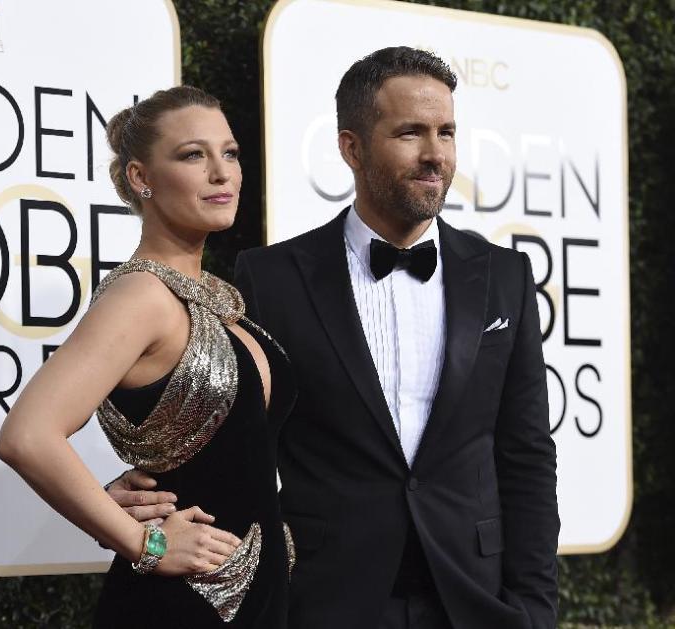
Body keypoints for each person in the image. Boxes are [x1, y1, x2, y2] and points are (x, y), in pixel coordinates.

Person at [109, 48, 559, 628]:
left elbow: (525, 454)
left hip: (476, 598)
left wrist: (534, 609)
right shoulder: (270, 278)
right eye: (409, 132)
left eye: (446, 132)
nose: (434, 154)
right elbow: (233, 433)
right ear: (351, 147)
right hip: (325, 597)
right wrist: (143, 495)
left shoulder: (505, 275)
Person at [0, 85, 297, 628]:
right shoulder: (140, 298)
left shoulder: (215, 295)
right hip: (182, 604)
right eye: (192, 155)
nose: (221, 173)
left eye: (229, 153)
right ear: (141, 178)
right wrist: (144, 543)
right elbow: (27, 436)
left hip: (255, 595)